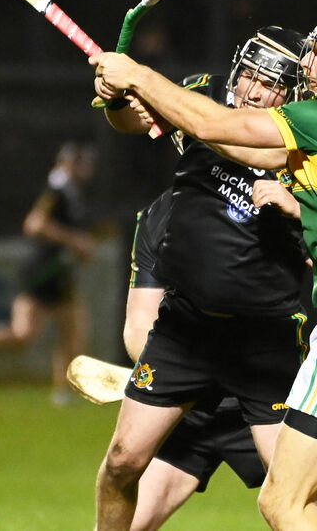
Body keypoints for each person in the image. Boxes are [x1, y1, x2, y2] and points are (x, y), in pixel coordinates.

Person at [91, 11, 317, 530]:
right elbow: (223, 136)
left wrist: (142, 77)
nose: (309, 62)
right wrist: (134, 97)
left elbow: (218, 127)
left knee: (283, 502)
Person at [124, 187, 267, 530]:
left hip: (266, 399)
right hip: (192, 408)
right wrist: (170, 375)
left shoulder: (275, 201)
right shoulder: (161, 213)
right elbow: (138, 323)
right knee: (121, 518)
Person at [0, 141, 97, 406]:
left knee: (72, 333)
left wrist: (78, 245)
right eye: (81, 163)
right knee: (23, 336)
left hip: (60, 273)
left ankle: (62, 392)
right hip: (44, 271)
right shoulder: (57, 189)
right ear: (70, 163)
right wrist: (74, 241)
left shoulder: (70, 192)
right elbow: (35, 224)